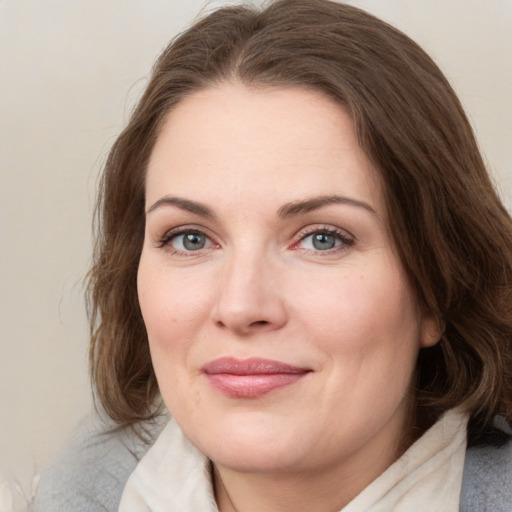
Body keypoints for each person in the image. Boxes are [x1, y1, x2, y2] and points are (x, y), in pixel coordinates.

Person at [34, 0, 512, 510]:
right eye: (190, 238)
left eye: (322, 238)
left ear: (438, 288)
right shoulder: (70, 490)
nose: (241, 307)